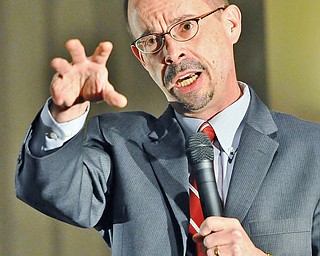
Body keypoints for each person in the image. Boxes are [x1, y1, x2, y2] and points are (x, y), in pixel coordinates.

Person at [15, 0, 320, 255]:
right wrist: (65, 110)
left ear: (231, 24)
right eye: (152, 41)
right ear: (141, 57)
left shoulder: (313, 149)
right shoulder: (118, 144)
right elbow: (49, 190)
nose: (172, 54)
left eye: (187, 26)